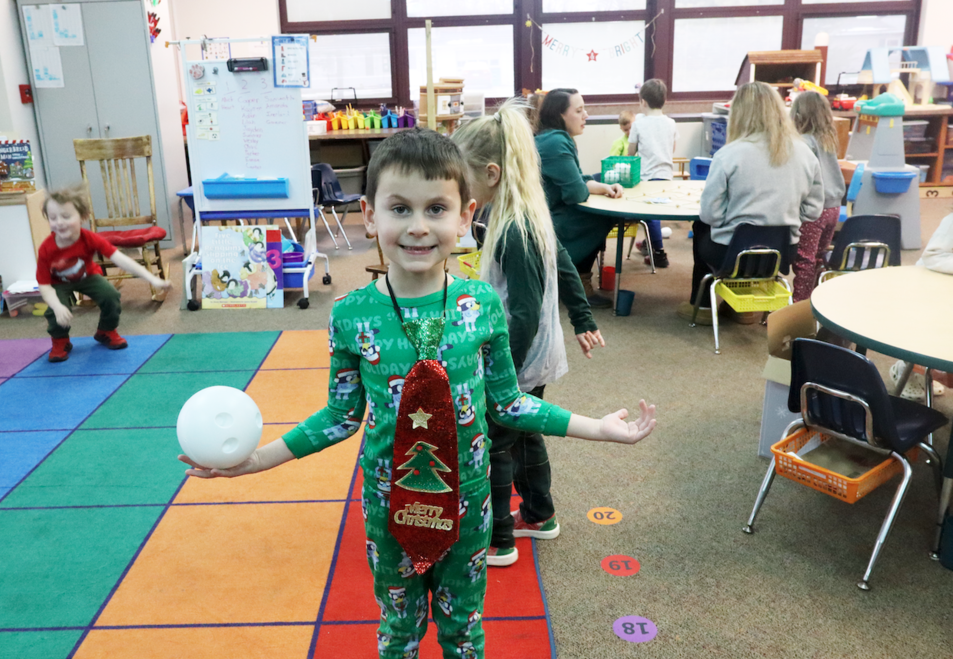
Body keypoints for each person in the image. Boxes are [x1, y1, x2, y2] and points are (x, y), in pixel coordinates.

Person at [180, 128, 656, 659]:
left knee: (463, 633)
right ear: (370, 214)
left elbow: (509, 402)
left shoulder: (480, 305)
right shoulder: (350, 315)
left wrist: (598, 428)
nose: (418, 227)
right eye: (399, 208)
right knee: (399, 634)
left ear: (464, 215)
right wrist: (255, 461)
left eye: (436, 208)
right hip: (390, 508)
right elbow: (341, 416)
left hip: (468, 504)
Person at [452, 101, 606, 567]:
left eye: (463, 178)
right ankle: (539, 514)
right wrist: (583, 319)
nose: (458, 189)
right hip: (534, 353)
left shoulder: (514, 228)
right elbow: (563, 262)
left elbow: (523, 312)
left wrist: (498, 374)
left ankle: (498, 539)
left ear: (492, 173)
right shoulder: (524, 212)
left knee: (495, 441)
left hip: (517, 356)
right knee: (525, 431)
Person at [681, 81, 824, 325]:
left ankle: (703, 305)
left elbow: (710, 215)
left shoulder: (728, 155)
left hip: (732, 252)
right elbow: (813, 210)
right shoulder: (805, 153)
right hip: (780, 253)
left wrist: (736, 214)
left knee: (700, 228)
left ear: (738, 113)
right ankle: (744, 310)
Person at [37, 185, 171, 362]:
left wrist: (153, 279)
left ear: (83, 217)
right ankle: (60, 339)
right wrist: (57, 306)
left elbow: (121, 260)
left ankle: (106, 330)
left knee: (110, 295)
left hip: (87, 276)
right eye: (53, 218)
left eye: (66, 216)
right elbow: (44, 286)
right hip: (58, 283)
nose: (59, 222)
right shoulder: (47, 249)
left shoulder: (89, 238)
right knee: (56, 311)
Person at [535, 89, 624, 309]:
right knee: (600, 217)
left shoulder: (556, 138)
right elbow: (576, 193)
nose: (586, 115)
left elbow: (580, 179)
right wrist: (589, 187)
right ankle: (573, 280)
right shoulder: (555, 142)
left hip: (547, 212)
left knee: (597, 212)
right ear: (561, 115)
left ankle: (576, 278)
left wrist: (604, 187)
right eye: (579, 110)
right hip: (540, 222)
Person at [889, 209, 953, 400]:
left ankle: (922, 371)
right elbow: (931, 256)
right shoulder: (951, 222)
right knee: (929, 342)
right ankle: (907, 369)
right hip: (930, 290)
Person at [790, 91, 845, 302]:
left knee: (805, 260)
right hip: (834, 207)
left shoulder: (803, 142)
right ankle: (816, 302)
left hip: (816, 209)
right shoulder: (827, 138)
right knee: (819, 258)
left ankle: (799, 307)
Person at [628, 79, 677, 268]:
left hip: (646, 178)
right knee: (654, 212)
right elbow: (672, 148)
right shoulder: (671, 123)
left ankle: (659, 254)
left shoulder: (639, 124)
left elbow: (631, 153)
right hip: (666, 175)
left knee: (651, 214)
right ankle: (649, 244)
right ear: (664, 101)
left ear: (643, 102)